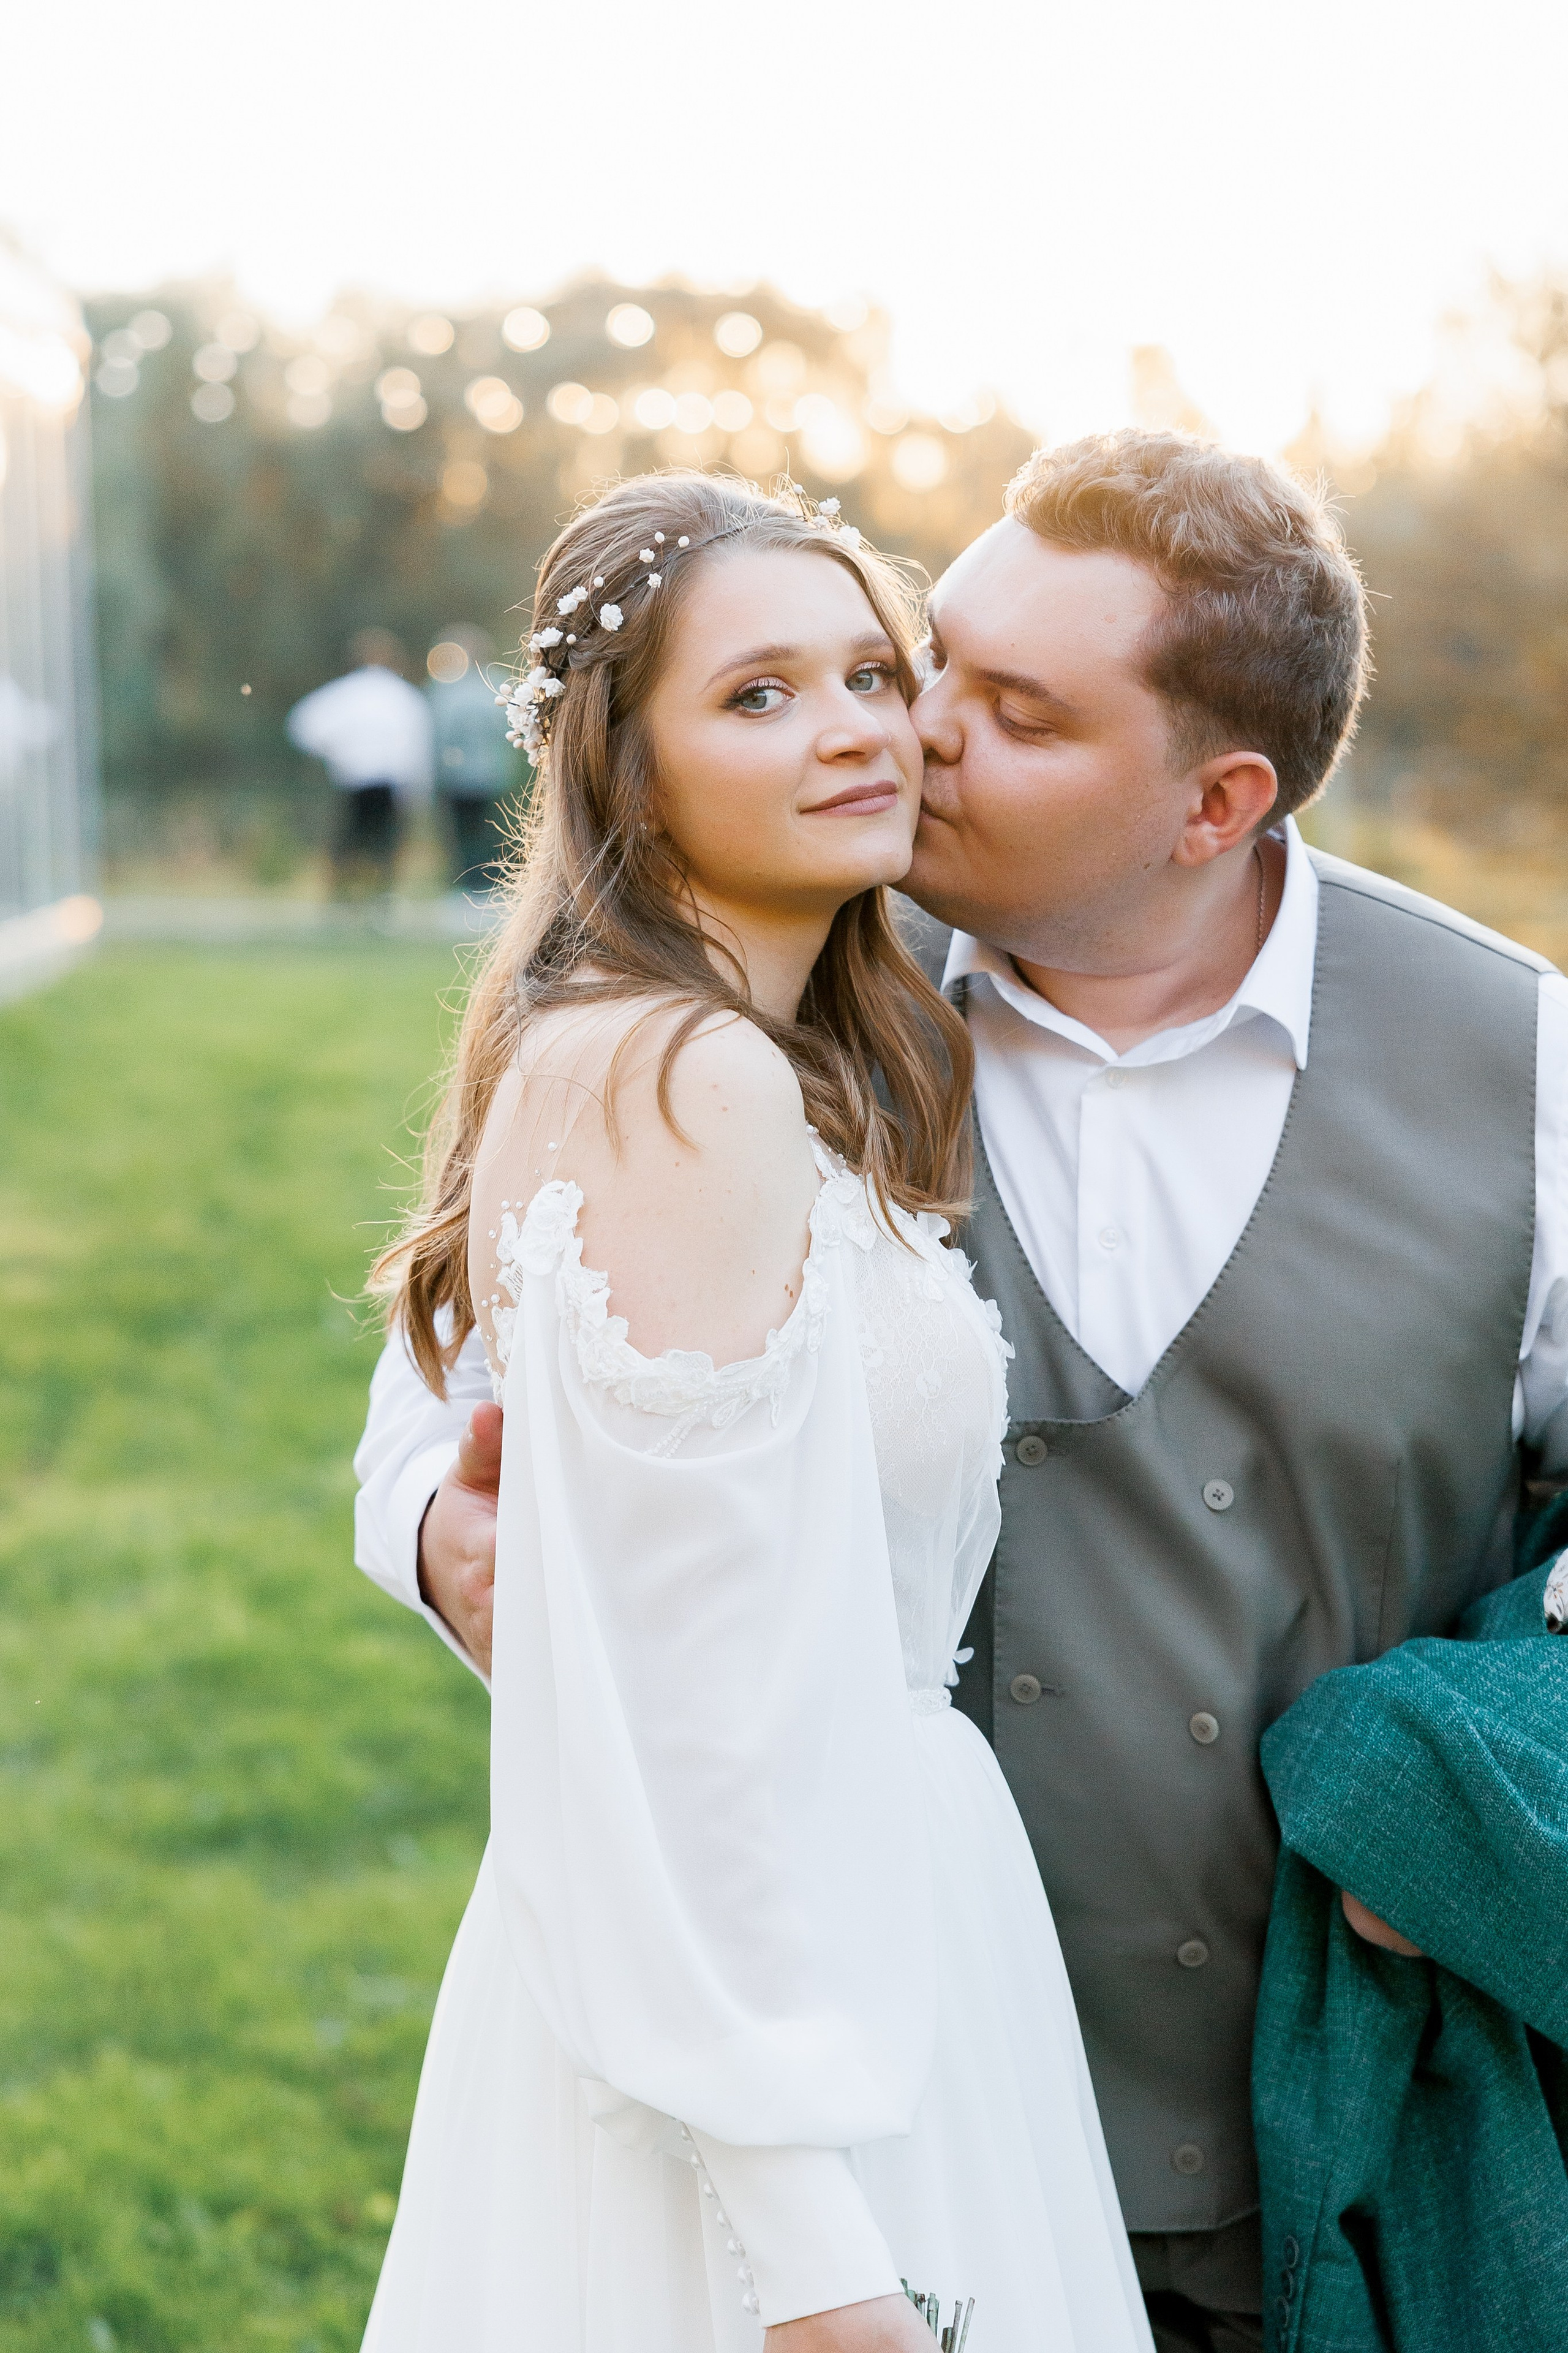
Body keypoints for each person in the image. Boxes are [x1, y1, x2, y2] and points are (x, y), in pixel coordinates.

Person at [360, 431, 1568, 2352]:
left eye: (1000, 707)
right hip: (864, 2054)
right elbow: (462, 1382)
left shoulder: (1515, 1059)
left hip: (1331, 2107)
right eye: (922, 661)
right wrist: (463, 1534)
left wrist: (1484, 1796)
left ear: (1214, 796)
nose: (909, 734)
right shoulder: (777, 999)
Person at [357, 472, 1153, 2352]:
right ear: (626, 774)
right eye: (760, 694)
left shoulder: (782, 1055)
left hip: (886, 1917)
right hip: (760, 1997)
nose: (857, 726)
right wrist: (811, 2254)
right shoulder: (676, 1071)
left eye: (873, 671)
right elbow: (683, 1693)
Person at [287, 629, 434, 895]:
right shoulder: (403, 696)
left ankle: (344, 896)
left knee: (349, 842)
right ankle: (379, 895)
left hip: (354, 778)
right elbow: (416, 745)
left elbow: (304, 724)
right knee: (383, 844)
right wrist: (417, 788)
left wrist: (333, 754)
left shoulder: (346, 692)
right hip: (388, 782)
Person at [424, 627, 522, 893]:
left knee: (463, 834)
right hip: (495, 774)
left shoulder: (447, 691)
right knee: (492, 831)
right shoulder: (500, 684)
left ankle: (468, 885)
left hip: (459, 775)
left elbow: (440, 734)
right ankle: (490, 884)